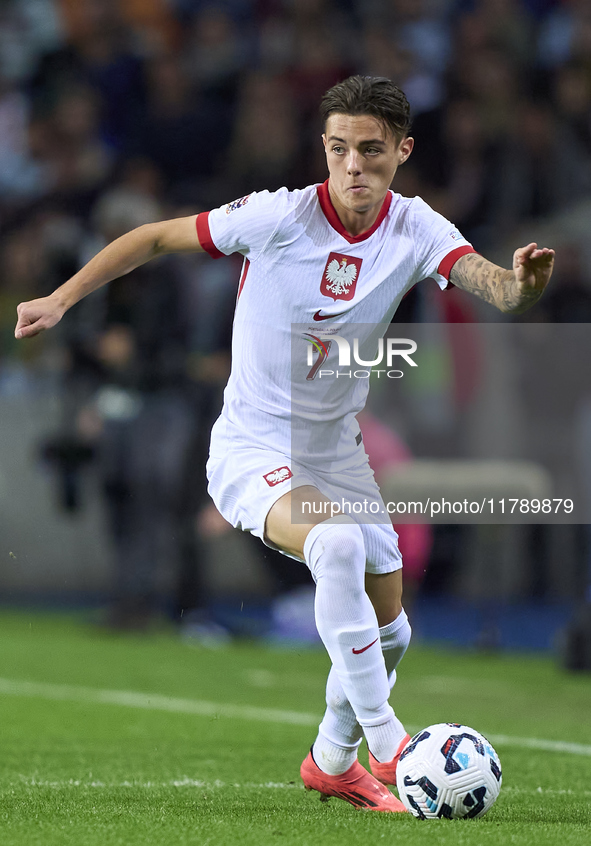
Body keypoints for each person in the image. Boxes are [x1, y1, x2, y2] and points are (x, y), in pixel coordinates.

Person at [13, 76, 554, 813]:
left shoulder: (416, 226)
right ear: (323, 149)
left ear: (402, 149)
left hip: (337, 456)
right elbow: (153, 236)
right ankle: (389, 743)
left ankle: (332, 760)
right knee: (334, 547)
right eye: (338, 150)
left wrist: (523, 287)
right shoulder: (277, 216)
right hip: (251, 449)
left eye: (370, 150)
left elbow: (494, 287)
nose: (353, 166)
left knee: (390, 632)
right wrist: (61, 298)